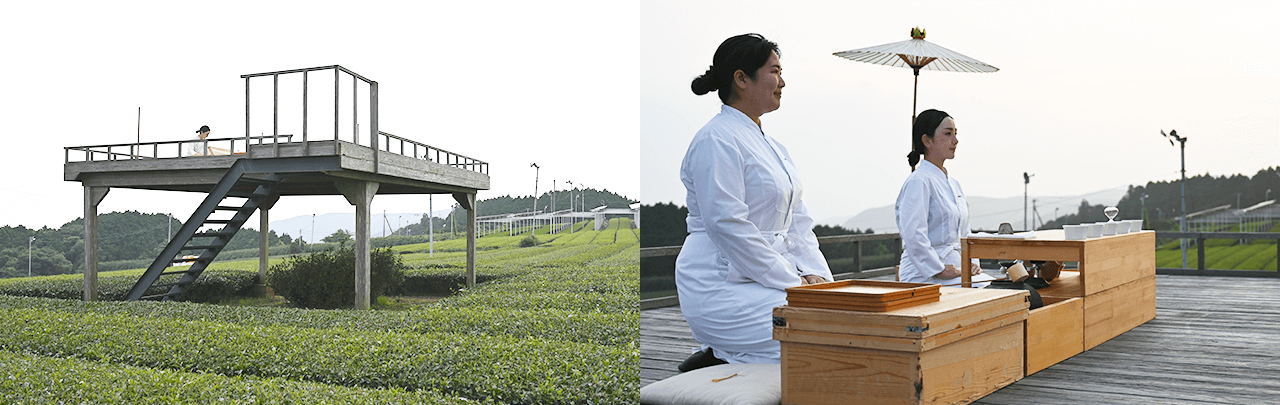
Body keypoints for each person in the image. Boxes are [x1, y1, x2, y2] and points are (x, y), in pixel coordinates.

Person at [675, 33, 832, 371]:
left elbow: (798, 226)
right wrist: (793, 280)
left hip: (770, 279)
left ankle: (724, 356)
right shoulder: (715, 140)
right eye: (774, 71)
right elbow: (728, 226)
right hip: (720, 285)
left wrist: (820, 279)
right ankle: (721, 352)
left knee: (842, 318)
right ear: (741, 78)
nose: (782, 81)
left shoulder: (775, 148)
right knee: (823, 337)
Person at [894, 109, 984, 284]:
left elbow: (965, 232)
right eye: (948, 134)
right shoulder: (918, 181)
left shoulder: (954, 183)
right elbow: (913, 235)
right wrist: (939, 268)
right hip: (924, 274)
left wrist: (972, 262)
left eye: (956, 134)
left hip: (956, 268)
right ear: (927, 140)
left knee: (1003, 292)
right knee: (990, 296)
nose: (955, 140)